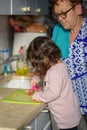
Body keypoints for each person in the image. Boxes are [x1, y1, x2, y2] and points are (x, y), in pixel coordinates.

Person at [26, 36, 83, 130]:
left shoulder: (55, 71)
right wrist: (35, 78)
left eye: (38, 63)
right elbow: (44, 72)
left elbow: (53, 94)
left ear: (44, 58)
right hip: (66, 112)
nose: (38, 66)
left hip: (65, 117)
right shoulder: (55, 64)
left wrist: (37, 95)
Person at [49, 0, 87, 119]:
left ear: (78, 9)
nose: (60, 18)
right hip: (67, 107)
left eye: (63, 13)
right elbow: (53, 62)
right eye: (57, 14)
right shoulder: (58, 31)